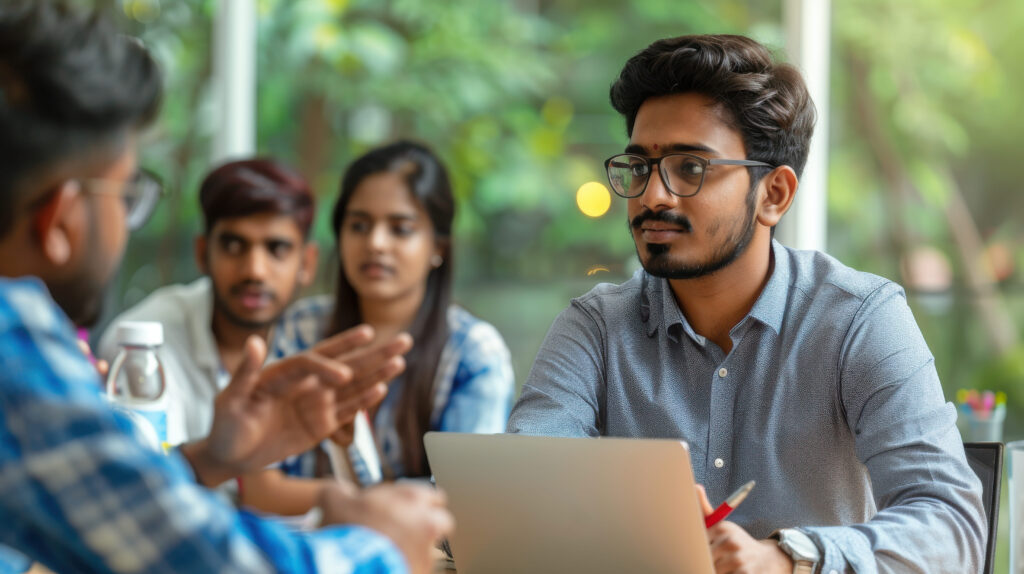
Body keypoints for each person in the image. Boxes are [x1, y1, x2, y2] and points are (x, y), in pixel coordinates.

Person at [506, 34, 985, 573]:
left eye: (691, 168)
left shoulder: (858, 319)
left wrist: (786, 559)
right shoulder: (595, 326)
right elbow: (519, 498)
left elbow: (951, 525)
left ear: (774, 194)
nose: (652, 197)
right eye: (640, 167)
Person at [0, 3, 451, 573]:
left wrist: (213, 456)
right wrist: (382, 543)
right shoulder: (13, 343)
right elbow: (210, 564)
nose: (256, 271)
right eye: (125, 194)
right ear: (60, 218)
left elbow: (102, 505)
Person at [240, 141, 515, 515]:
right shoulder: (301, 329)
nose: (375, 243)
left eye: (400, 229)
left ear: (439, 247)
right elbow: (258, 487)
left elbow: (462, 506)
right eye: (359, 225)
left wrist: (344, 485)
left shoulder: (473, 353)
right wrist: (347, 498)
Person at [98, 158, 320, 445]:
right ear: (202, 253)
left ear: (307, 263)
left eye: (277, 249)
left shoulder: (319, 337)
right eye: (233, 245)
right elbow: (151, 475)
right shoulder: (143, 347)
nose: (254, 270)